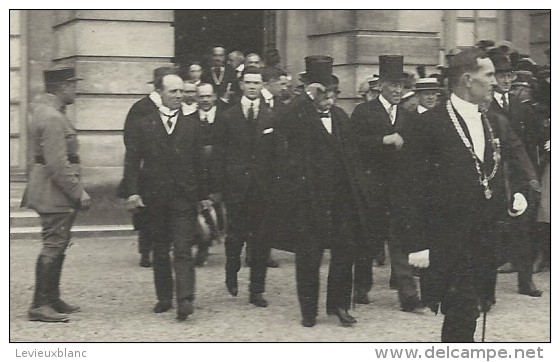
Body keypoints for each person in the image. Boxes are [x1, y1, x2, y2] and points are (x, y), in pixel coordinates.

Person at [399, 47, 538, 342]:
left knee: (472, 310)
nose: (494, 81)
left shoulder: (490, 121)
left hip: (484, 238)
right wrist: (417, 243)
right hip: (447, 238)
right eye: (488, 75)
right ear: (467, 79)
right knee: (459, 311)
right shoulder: (428, 124)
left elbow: (496, 167)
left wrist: (514, 196)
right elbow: (409, 189)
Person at [270, 56, 368, 327]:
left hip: (340, 200)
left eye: (333, 93)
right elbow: (280, 123)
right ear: (312, 93)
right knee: (309, 257)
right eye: (323, 93)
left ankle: (338, 306)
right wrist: (304, 98)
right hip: (309, 200)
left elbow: (353, 156)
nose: (330, 99)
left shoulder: (340, 117)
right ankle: (309, 310)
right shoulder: (298, 115)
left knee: (344, 253)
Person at [122, 73, 211, 321]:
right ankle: (164, 297)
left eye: (181, 91)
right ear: (160, 93)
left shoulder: (192, 126)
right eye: (173, 92)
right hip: (154, 197)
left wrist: (204, 195)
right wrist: (132, 191)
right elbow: (132, 160)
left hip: (183, 197)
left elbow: (200, 163)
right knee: (160, 250)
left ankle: (185, 299)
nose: (179, 96)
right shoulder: (144, 124)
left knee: (182, 249)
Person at [351, 55, 420, 311]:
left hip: (399, 190)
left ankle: (408, 295)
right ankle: (361, 287)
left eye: (401, 86)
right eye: (392, 85)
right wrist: (383, 140)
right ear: (380, 85)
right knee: (368, 242)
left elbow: (414, 150)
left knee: (401, 241)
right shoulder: (363, 112)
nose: (397, 91)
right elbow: (353, 145)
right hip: (372, 189)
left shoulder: (408, 115)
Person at [23, 67, 91, 322]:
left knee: (59, 243)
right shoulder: (52, 117)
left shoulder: (49, 112)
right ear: (62, 87)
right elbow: (57, 163)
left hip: (54, 191)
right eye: (73, 84)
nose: (76, 89)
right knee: (54, 244)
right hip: (56, 192)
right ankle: (40, 304)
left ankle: (52, 297)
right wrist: (78, 192)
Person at [213, 66, 277, 307]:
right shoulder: (227, 116)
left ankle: (257, 289)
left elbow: (277, 154)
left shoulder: (271, 116)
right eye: (248, 82)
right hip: (236, 186)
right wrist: (218, 188)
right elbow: (219, 155)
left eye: (256, 82)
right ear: (241, 85)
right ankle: (232, 269)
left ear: (262, 85)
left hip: (262, 187)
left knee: (261, 239)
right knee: (235, 236)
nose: (252, 86)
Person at [487, 51, 542, 297]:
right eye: (501, 75)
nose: (506, 80)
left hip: (518, 176)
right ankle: (486, 289)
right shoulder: (485, 105)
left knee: (524, 229)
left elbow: (529, 145)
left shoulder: (522, 107)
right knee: (491, 230)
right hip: (493, 174)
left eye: (509, 75)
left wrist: (532, 176)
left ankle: (525, 280)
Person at [118, 66, 178, 268]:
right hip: (148, 170)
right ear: (158, 87)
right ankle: (146, 251)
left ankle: (162, 249)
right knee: (146, 215)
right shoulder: (141, 107)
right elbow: (130, 139)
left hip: (169, 172)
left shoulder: (174, 108)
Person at [188, 83, 228, 266]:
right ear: (196, 98)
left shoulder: (225, 119)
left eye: (208, 96)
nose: (205, 100)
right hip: (198, 174)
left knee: (222, 214)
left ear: (214, 97)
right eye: (201, 96)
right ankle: (202, 244)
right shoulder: (188, 120)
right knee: (199, 211)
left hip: (220, 172)